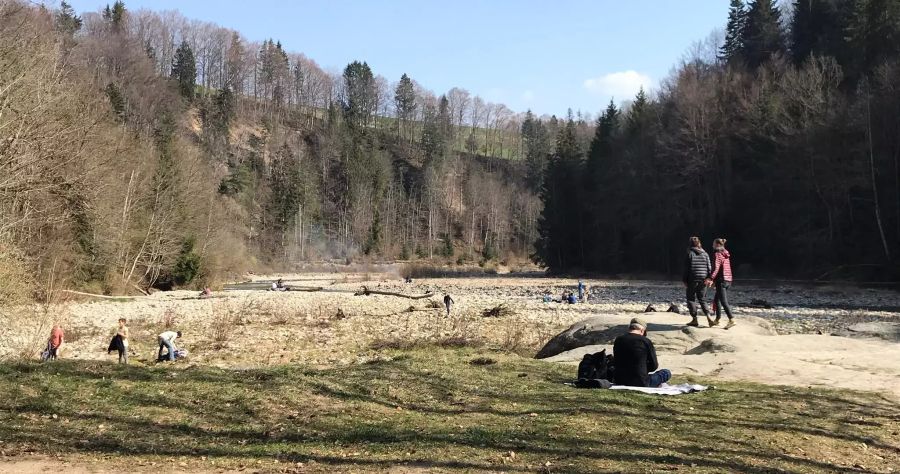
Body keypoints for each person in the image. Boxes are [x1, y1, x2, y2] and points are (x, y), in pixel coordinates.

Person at [612, 317, 671, 388]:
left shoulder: (618, 340)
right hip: (641, 382)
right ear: (642, 330)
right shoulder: (645, 341)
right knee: (666, 372)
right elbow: (654, 365)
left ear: (630, 328)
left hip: (619, 380)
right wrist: (642, 369)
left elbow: (616, 361)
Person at [683, 236, 712, 327]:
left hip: (692, 279)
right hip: (703, 279)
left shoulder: (689, 253)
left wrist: (684, 280)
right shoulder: (705, 254)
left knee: (691, 299)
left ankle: (694, 319)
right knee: (702, 299)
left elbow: (686, 269)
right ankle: (708, 317)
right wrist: (709, 278)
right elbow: (709, 267)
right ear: (699, 243)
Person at [707, 238, 735, 329]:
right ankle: (717, 319)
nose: (712, 246)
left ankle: (731, 320)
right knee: (716, 300)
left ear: (717, 245)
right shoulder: (726, 253)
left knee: (723, 301)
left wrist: (710, 278)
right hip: (728, 280)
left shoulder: (717, 254)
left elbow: (716, 268)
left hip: (721, 280)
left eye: (713, 244)